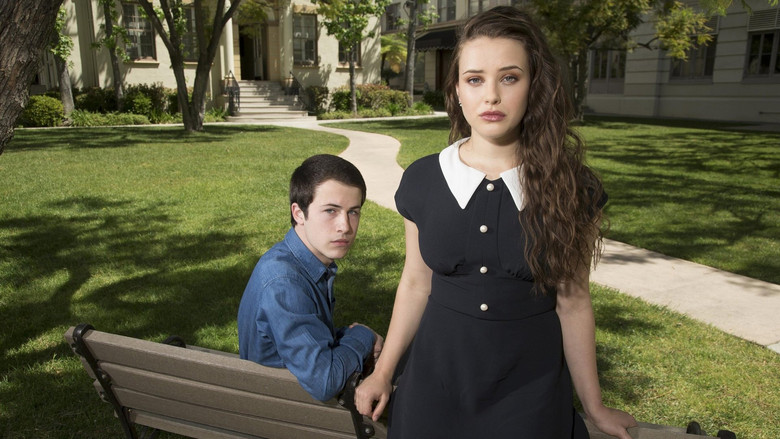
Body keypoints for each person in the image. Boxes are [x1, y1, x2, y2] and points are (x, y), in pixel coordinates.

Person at [355, 6, 637, 439]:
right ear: (457, 90)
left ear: (534, 85)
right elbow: (414, 283)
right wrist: (383, 372)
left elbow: (574, 303)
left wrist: (594, 406)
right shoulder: (424, 179)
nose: (491, 96)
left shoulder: (572, 187)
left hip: (529, 393)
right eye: (475, 79)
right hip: (433, 386)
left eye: (509, 78)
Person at [238, 154, 383, 402]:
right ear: (299, 213)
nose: (345, 226)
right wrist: (363, 335)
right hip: (284, 410)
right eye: (330, 211)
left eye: (353, 212)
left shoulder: (294, 262)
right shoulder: (285, 283)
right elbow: (325, 380)